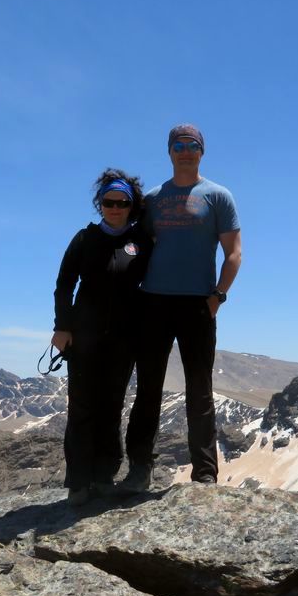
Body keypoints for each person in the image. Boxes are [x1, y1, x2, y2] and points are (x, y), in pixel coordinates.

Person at [119, 124, 241, 491]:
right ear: (169, 152)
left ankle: (205, 474)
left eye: (192, 145)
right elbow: (135, 247)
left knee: (199, 390)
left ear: (202, 152)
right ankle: (140, 468)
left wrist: (218, 295)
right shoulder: (154, 199)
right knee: (149, 388)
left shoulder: (218, 196)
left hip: (197, 305)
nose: (185, 151)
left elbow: (233, 253)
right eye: (178, 145)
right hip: (153, 301)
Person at [53, 168, 153, 506]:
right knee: (81, 407)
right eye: (109, 202)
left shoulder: (140, 242)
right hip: (84, 338)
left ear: (130, 204)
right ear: (100, 204)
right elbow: (64, 284)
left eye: (122, 202)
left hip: (124, 339)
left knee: (111, 408)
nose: (115, 207)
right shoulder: (85, 239)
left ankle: (104, 475)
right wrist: (61, 327)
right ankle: (78, 481)